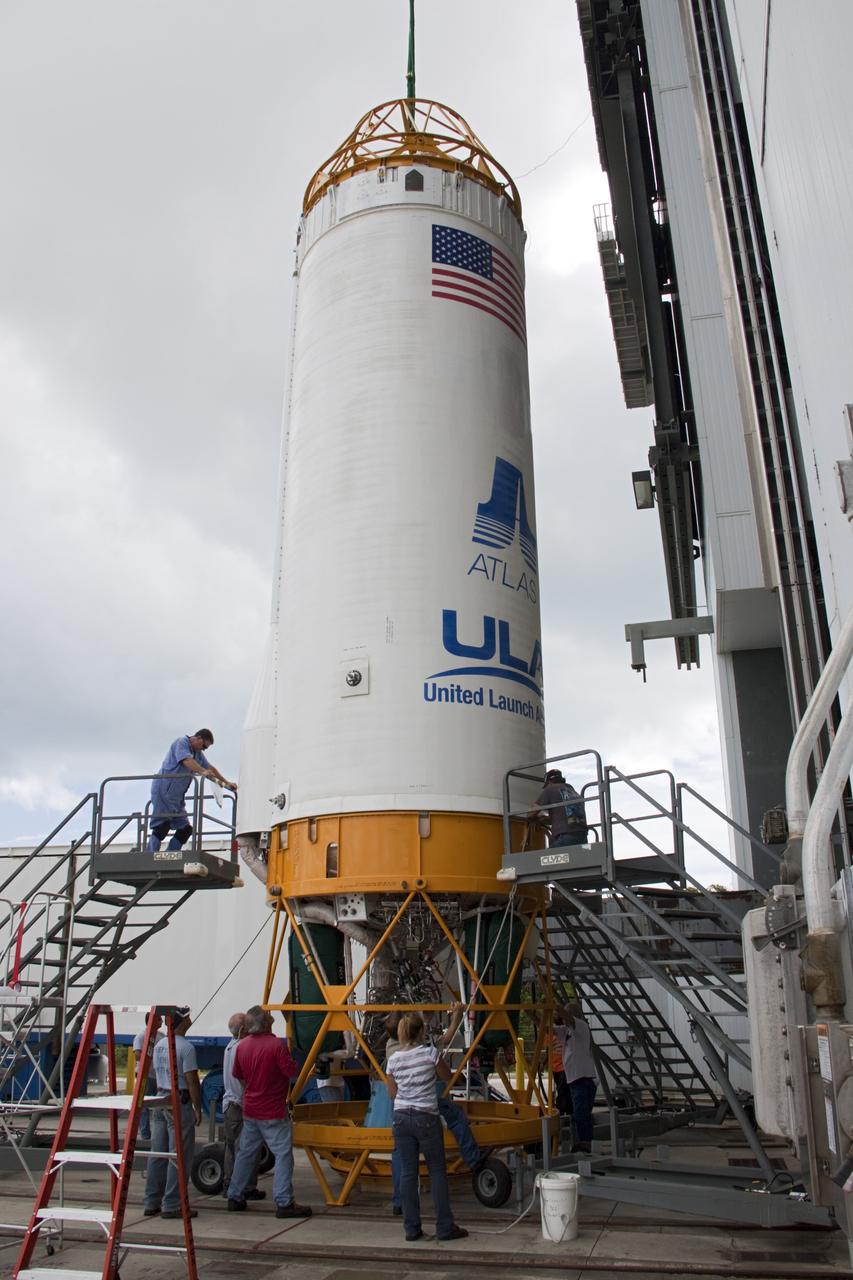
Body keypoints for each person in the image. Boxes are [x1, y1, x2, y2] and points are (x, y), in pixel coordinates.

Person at [384, 1005, 484, 1216]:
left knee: (403, 1161)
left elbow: (392, 1092)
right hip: (425, 1109)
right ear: (417, 1031)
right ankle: (474, 1160)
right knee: (453, 1120)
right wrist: (455, 1015)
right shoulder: (428, 1051)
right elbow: (447, 1070)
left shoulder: (392, 1053)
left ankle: (402, 1207)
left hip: (402, 1112)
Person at [226, 1006, 312, 1219]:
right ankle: (284, 1201)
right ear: (265, 1023)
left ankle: (235, 1195)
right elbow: (290, 1072)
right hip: (272, 1110)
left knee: (245, 1153)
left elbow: (239, 1075)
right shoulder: (275, 1045)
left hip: (251, 1108)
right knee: (283, 1154)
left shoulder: (242, 1046)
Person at [143, 1007, 201, 1219]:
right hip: (179, 1100)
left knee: (158, 1153)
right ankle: (173, 1203)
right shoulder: (186, 1048)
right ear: (183, 1022)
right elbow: (192, 1080)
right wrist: (197, 1107)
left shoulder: (159, 1045)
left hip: (161, 1097)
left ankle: (151, 1200)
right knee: (180, 1154)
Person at [147, 729, 237, 853]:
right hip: (164, 790)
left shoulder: (197, 753)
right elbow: (187, 761)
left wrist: (226, 783)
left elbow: (210, 768)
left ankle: (170, 855)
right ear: (198, 738)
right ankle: (150, 854)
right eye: (204, 746)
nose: (203, 749)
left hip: (177, 798)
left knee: (185, 829)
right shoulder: (181, 743)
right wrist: (202, 771)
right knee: (161, 826)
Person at [222, 1012, 264, 1201]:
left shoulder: (230, 1047)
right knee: (246, 1150)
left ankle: (230, 1183)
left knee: (232, 1148)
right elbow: (245, 1078)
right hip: (240, 1104)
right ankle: (244, 1187)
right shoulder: (242, 1048)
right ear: (241, 1030)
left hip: (230, 1104)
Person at [554, 1001, 597, 1153]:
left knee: (581, 1113)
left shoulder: (580, 1026)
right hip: (573, 1079)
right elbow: (548, 1029)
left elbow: (567, 1017)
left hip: (582, 1078)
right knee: (577, 1113)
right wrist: (534, 1015)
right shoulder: (567, 1031)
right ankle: (582, 1141)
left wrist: (555, 1005)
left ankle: (585, 1143)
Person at [529, 768, 588, 847]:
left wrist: (535, 818)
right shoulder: (572, 791)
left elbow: (530, 814)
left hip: (565, 836)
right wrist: (545, 819)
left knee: (546, 858)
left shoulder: (550, 789)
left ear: (549, 782)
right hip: (582, 836)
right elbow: (567, 815)